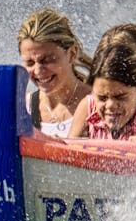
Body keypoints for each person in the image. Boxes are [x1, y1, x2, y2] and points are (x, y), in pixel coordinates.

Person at [68, 43, 136, 143]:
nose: (110, 105)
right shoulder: (88, 107)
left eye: (120, 97)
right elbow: (69, 151)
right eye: (102, 98)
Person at [17, 9, 93, 137]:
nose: (38, 70)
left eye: (47, 60)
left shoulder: (99, 105)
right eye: (30, 63)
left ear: (72, 54)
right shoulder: (21, 107)